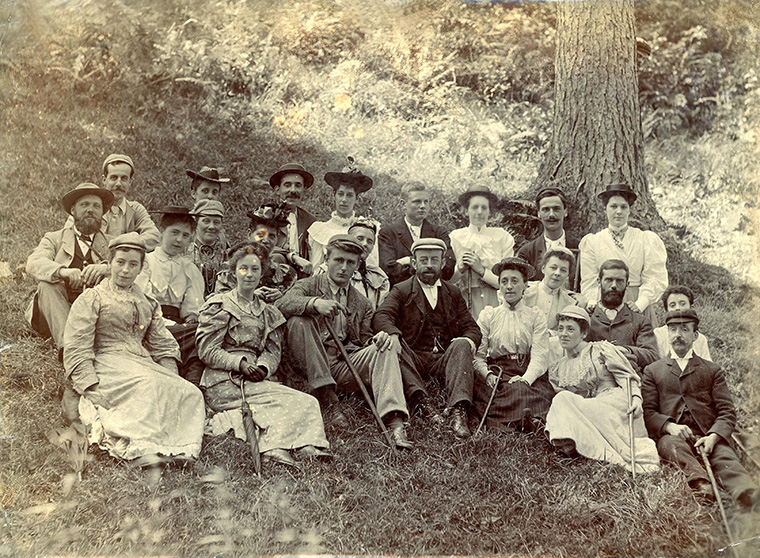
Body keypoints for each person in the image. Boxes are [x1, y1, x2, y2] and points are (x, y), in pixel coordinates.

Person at [63, 233, 205, 468]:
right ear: (109, 264)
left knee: (189, 392)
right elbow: (77, 345)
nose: (125, 270)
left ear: (140, 269)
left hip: (140, 361)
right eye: (120, 262)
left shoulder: (147, 301)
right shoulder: (93, 298)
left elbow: (162, 343)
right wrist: (89, 385)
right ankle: (143, 449)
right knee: (147, 385)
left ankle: (177, 449)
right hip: (107, 362)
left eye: (133, 264)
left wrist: (171, 374)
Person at [196, 243, 331, 467]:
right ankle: (274, 447)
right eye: (243, 269)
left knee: (306, 400)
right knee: (278, 403)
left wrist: (263, 368)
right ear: (233, 272)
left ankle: (306, 445)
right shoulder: (220, 305)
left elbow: (272, 351)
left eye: (255, 269)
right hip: (223, 381)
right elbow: (207, 350)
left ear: (262, 273)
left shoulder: (268, 311)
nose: (249, 274)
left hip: (254, 377)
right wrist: (239, 364)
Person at [275, 234, 413, 449]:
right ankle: (327, 398)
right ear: (327, 259)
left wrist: (375, 341)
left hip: (341, 365)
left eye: (350, 263)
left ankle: (394, 421)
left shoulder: (363, 303)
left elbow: (363, 340)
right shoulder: (307, 285)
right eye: (338, 260)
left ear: (357, 266)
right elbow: (282, 303)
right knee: (300, 321)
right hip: (305, 364)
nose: (343, 267)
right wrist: (314, 303)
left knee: (384, 348)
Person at [642, 309, 759, 509]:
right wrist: (670, 427)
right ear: (667, 333)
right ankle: (701, 483)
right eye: (673, 329)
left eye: (684, 329)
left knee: (724, 456)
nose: (677, 334)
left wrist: (714, 435)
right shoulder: (653, 371)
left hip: (707, 433)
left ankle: (747, 493)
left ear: (695, 335)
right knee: (674, 448)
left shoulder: (712, 370)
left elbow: (726, 412)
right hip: (674, 435)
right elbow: (649, 412)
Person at [373, 238, 482, 438]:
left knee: (462, 343)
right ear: (414, 264)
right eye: (423, 260)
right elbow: (381, 315)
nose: (429, 265)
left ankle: (459, 410)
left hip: (443, 358)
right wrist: (394, 334)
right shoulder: (402, 289)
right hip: (413, 357)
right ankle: (423, 404)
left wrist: (467, 341)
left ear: (442, 263)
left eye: (434, 260)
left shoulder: (453, 292)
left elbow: (471, 328)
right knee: (395, 345)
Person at [545, 306, 660, 473]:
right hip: (589, 407)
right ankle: (573, 445)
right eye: (560, 329)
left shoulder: (600, 349)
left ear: (583, 333)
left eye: (570, 329)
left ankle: (585, 448)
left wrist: (636, 398)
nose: (563, 334)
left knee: (563, 399)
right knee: (561, 398)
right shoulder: (558, 368)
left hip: (614, 402)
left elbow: (626, 376)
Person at [26, 183, 113, 352]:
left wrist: (107, 269)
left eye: (96, 206)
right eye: (84, 204)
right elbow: (33, 262)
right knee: (47, 285)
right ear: (73, 210)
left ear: (102, 213)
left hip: (93, 315)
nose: (90, 210)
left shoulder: (112, 243)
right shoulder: (54, 238)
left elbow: (137, 266)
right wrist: (62, 272)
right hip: (53, 313)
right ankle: (70, 350)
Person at [472, 258, 555, 431]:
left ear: (525, 285)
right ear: (500, 286)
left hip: (527, 370)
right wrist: (487, 375)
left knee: (528, 390)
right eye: (504, 281)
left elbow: (540, 356)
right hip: (498, 371)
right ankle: (525, 421)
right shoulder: (489, 315)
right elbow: (479, 356)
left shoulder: (535, 316)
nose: (509, 286)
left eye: (515, 281)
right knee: (494, 394)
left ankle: (528, 421)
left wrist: (526, 379)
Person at [135, 206, 205, 384]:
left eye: (185, 235)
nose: (179, 239)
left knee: (201, 333)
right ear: (161, 231)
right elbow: (143, 302)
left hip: (180, 328)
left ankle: (193, 383)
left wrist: (190, 319)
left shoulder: (190, 269)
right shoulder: (146, 262)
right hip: (149, 323)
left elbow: (193, 308)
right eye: (174, 232)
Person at [579, 183, 668, 317]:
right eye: (613, 206)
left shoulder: (645, 239)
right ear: (605, 209)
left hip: (636, 303)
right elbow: (589, 279)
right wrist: (594, 302)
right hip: (605, 303)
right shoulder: (593, 241)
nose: (618, 211)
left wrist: (641, 303)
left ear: (629, 210)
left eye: (623, 207)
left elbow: (655, 276)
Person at [64, 154, 161, 251]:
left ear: (130, 182)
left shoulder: (136, 209)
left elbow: (154, 236)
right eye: (114, 178)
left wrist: (121, 244)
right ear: (104, 180)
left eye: (124, 178)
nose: (118, 184)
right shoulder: (90, 207)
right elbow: (67, 235)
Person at [449, 184, 515, 320]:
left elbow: (509, 280)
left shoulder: (502, 237)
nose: (479, 212)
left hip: (496, 300)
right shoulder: (455, 237)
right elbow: (447, 280)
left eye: (484, 208)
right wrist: (459, 267)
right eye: (474, 207)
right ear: (466, 210)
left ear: (490, 211)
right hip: (464, 301)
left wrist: (481, 270)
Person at [586, 259, 659, 373]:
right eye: (609, 280)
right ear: (599, 282)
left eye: (620, 281)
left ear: (627, 284)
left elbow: (652, 356)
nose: (614, 285)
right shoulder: (587, 319)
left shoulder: (640, 321)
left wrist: (625, 350)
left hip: (629, 381)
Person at [308, 157, 380, 271]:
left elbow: (373, 266)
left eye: (350, 195)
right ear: (334, 195)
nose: (344, 200)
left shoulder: (367, 228)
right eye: (340, 194)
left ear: (357, 198)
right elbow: (316, 268)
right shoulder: (320, 230)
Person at [215, 205, 298, 303]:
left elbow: (295, 298)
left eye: (272, 236)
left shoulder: (285, 274)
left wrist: (281, 294)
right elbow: (218, 301)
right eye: (261, 235)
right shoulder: (230, 271)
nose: (266, 240)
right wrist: (248, 295)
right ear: (250, 234)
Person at [378, 182, 455, 286]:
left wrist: (406, 261)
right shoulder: (388, 233)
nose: (423, 206)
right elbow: (389, 271)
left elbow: (448, 269)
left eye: (426, 202)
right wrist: (429, 266)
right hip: (403, 297)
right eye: (417, 202)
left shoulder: (439, 233)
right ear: (403, 204)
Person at [315, 217, 389, 310]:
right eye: (360, 238)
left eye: (370, 241)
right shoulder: (327, 269)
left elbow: (380, 310)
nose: (365, 244)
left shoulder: (378, 277)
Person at [517, 187, 579, 285]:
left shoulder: (580, 248)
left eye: (556, 209)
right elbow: (522, 287)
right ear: (538, 213)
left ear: (565, 212)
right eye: (546, 209)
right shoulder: (526, 253)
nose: (551, 214)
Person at [268, 162, 316, 276]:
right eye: (287, 185)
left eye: (298, 185)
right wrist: (293, 257)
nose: (293, 190)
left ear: (304, 190)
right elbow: (259, 246)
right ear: (277, 190)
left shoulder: (311, 221)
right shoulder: (265, 215)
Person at [523, 247, 584, 331]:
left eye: (563, 270)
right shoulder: (525, 292)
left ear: (568, 275)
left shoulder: (570, 302)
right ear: (543, 268)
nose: (557, 273)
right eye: (553, 268)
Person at [653, 286, 712, 360]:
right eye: (672, 305)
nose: (678, 308)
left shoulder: (700, 339)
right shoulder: (658, 334)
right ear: (666, 310)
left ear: (691, 307)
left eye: (682, 304)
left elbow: (708, 367)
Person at [190, 199, 228, 299]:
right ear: (196, 223)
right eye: (206, 221)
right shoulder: (184, 251)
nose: (211, 227)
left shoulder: (227, 254)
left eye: (216, 222)